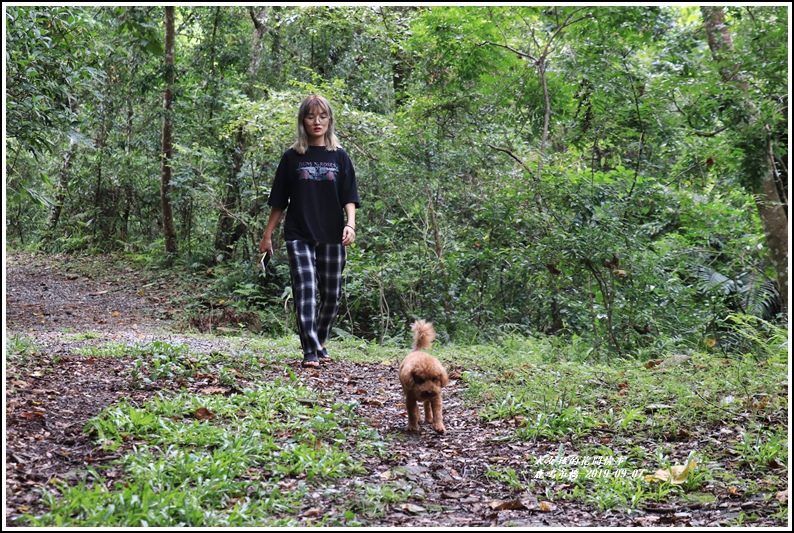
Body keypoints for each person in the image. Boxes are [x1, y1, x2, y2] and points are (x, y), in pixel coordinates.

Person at [259, 94, 359, 369]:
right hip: (298, 233)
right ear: (303, 120)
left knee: (331, 293)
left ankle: (320, 340)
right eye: (311, 116)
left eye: (322, 116)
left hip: (332, 233)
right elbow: (279, 200)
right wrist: (267, 235)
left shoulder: (339, 156)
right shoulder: (292, 157)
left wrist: (350, 224)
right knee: (305, 290)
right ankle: (309, 351)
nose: (317, 122)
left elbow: (349, 195)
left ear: (330, 120)